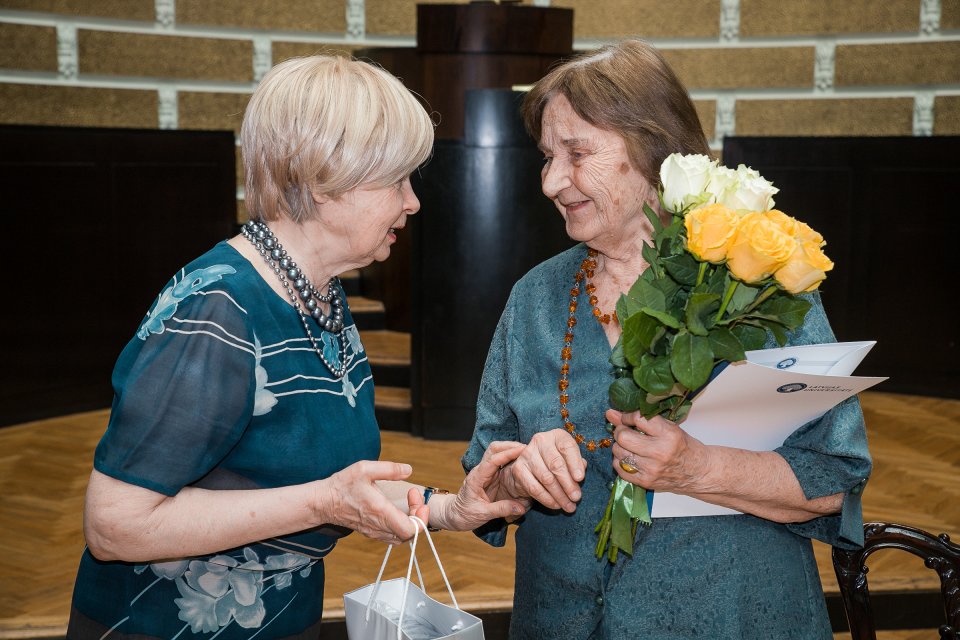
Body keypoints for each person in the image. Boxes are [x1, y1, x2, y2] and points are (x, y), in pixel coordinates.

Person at [68, 55, 527, 640]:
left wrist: (447, 510)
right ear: (321, 178)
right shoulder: (218, 311)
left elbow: (335, 482)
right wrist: (323, 504)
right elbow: (115, 526)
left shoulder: (321, 297)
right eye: (396, 180)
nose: (412, 202)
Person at [463, 39, 872, 639]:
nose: (552, 181)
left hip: (729, 615)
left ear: (653, 146)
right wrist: (520, 472)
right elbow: (483, 472)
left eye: (577, 154)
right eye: (546, 157)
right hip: (562, 618)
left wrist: (701, 468)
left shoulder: (757, 282)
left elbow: (835, 479)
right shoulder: (535, 298)